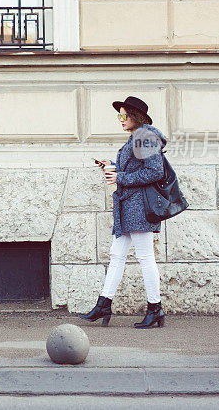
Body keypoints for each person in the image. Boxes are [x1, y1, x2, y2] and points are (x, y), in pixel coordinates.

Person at [79, 96, 167, 329]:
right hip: (128, 206)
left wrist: (121, 177)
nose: (120, 119)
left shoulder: (145, 137)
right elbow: (138, 168)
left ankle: (155, 308)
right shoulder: (136, 138)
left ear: (135, 116)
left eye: (124, 115)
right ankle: (104, 304)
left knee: (145, 257)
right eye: (119, 115)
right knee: (116, 256)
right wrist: (113, 165)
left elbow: (155, 172)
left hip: (139, 206)